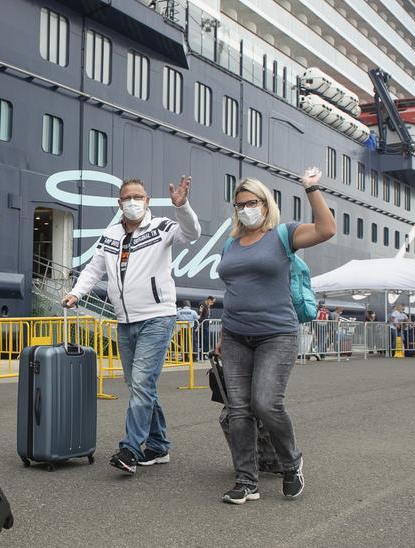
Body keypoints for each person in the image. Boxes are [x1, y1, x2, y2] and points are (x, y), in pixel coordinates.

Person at [63, 176, 200, 475]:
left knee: (140, 384)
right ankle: (159, 445)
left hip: (157, 317)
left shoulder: (162, 227)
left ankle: (131, 448)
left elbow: (191, 233)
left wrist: (182, 206)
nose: (133, 202)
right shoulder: (111, 235)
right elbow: (95, 269)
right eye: (127, 198)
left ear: (148, 201)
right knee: (139, 385)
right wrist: (76, 293)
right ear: (119, 204)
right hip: (125, 320)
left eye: (138, 197)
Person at [215, 166, 335, 504]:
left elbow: (327, 230)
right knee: (238, 410)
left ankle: (291, 463)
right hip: (236, 335)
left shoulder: (284, 235)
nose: (246, 209)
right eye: (240, 205)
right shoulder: (231, 244)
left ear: (266, 205)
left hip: (276, 335)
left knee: (266, 404)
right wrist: (224, 334)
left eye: (252, 202)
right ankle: (246, 481)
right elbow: (233, 291)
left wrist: (312, 189)